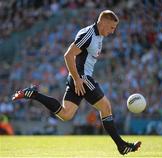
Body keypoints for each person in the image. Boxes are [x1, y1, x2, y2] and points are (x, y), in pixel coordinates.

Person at [12, 10, 141, 155]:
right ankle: (121, 145)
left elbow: (86, 55)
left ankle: (34, 95)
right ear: (103, 22)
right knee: (106, 107)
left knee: (66, 114)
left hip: (78, 78)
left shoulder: (99, 35)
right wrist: (77, 79)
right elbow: (68, 55)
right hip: (82, 78)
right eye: (112, 27)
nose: (112, 31)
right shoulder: (88, 34)